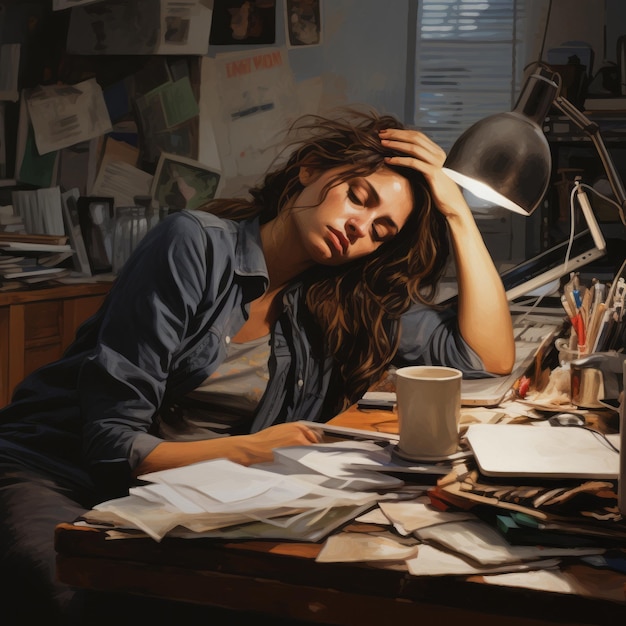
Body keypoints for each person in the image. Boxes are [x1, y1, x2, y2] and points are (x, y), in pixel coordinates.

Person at [0, 108, 514, 625]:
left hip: (172, 493)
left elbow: (488, 357)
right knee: (72, 595)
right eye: (359, 196)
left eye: (381, 230)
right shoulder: (194, 243)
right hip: (54, 469)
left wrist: (457, 213)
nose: (360, 227)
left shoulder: (341, 302)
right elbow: (110, 445)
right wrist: (254, 451)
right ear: (310, 169)